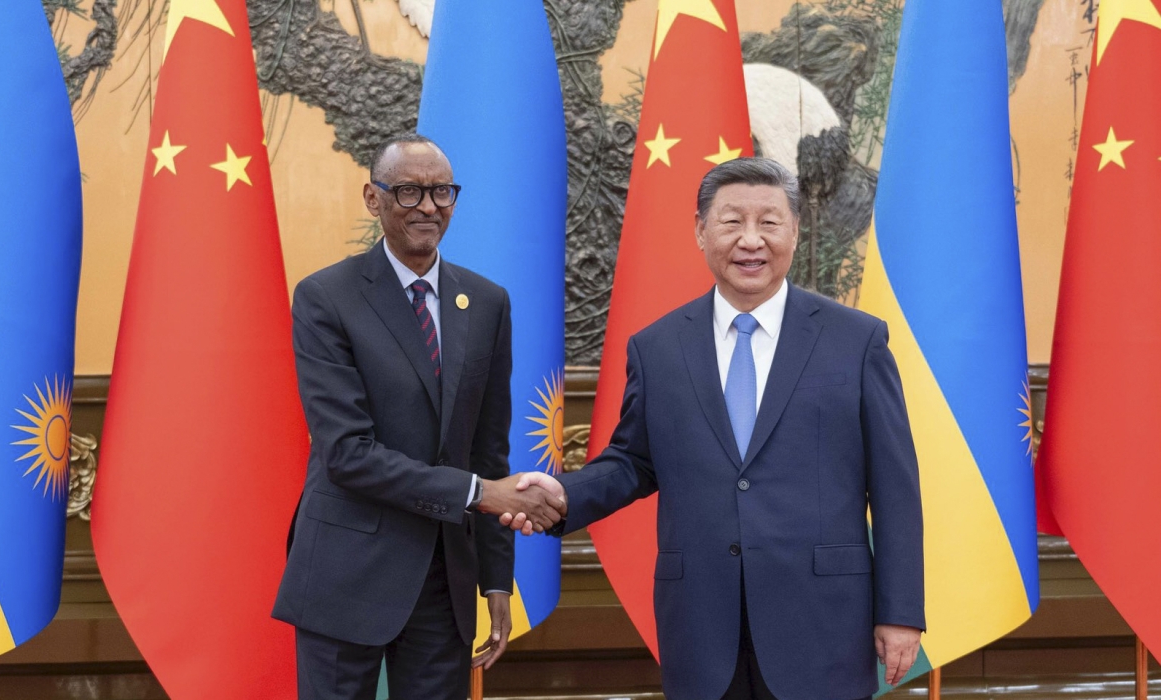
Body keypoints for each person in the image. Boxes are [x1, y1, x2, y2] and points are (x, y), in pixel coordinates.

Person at [506, 157, 925, 700]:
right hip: (703, 625)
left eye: (769, 222)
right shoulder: (658, 348)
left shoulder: (857, 341)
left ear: (795, 231)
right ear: (701, 231)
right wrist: (565, 494)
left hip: (823, 623)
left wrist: (901, 612)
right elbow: (634, 461)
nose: (751, 240)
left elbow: (895, 487)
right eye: (731, 222)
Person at [272, 134, 564, 700]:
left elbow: (489, 452)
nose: (428, 207)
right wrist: (481, 494)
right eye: (408, 191)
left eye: (441, 192)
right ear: (373, 198)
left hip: (443, 578)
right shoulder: (326, 298)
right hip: (346, 571)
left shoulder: (486, 302)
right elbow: (348, 454)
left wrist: (496, 579)